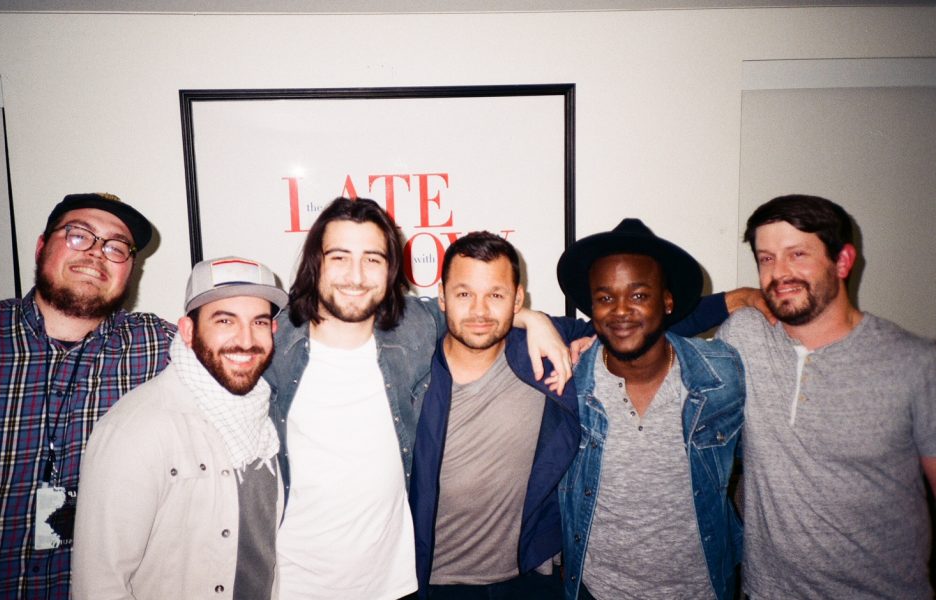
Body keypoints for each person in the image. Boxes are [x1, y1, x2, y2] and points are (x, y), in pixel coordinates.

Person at [263, 197, 572, 600]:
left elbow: (475, 314)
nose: (356, 275)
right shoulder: (270, 345)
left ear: (391, 269)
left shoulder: (410, 331)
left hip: (396, 585)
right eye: (339, 257)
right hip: (295, 585)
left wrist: (534, 319)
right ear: (314, 263)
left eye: (372, 259)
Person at [0, 193, 174, 599]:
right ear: (41, 246)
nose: (96, 253)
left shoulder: (160, 348)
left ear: (130, 269)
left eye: (116, 247)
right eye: (79, 235)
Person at [717, 194, 936, 599]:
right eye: (766, 259)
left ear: (843, 261)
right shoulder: (744, 336)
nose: (779, 273)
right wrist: (727, 300)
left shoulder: (915, 364)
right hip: (765, 592)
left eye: (797, 254)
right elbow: (646, 330)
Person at [72, 256, 288, 599]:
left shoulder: (268, 424)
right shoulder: (137, 429)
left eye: (259, 322)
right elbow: (99, 585)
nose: (246, 340)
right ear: (188, 331)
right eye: (225, 320)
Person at [557, 218, 746, 600]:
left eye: (639, 295)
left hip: (702, 590)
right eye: (605, 298)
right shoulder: (568, 384)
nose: (620, 311)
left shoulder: (724, 375)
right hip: (595, 590)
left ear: (668, 301)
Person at [410, 232, 580, 599]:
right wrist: (531, 318)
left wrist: (539, 323)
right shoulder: (414, 368)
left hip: (529, 577)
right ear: (442, 297)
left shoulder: (538, 352)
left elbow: (638, 321)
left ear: (517, 299)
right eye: (464, 294)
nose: (480, 311)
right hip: (433, 582)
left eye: (496, 295)